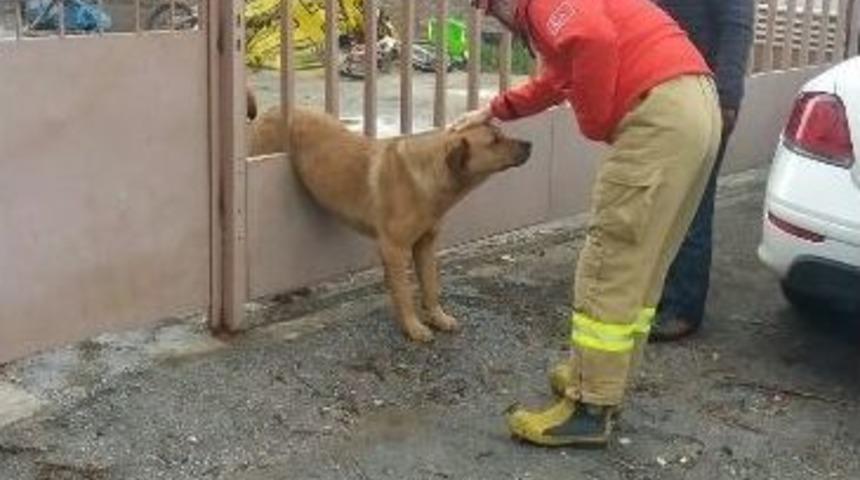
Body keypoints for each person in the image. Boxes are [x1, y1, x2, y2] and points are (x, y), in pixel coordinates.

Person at [451, 0, 722, 446]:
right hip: (692, 106)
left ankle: (589, 407)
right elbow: (562, 76)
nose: (487, 14)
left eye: (487, 4)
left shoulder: (541, 3)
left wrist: (596, 122)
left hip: (659, 114)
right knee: (643, 262)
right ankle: (604, 378)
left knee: (609, 262)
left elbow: (594, 41)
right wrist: (496, 109)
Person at [650, 0, 755, 342]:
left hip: (704, 93)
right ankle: (661, 294)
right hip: (664, 90)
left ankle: (683, 308)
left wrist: (726, 97)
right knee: (661, 200)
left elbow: (737, 26)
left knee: (693, 203)